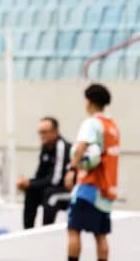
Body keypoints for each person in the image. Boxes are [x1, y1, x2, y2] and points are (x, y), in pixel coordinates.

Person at [65, 84, 119, 261]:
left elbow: (82, 146)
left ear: (89, 102)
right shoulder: (112, 127)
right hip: (107, 188)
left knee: (74, 229)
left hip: (90, 185)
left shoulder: (92, 123)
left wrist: (72, 168)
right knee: (100, 234)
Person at [18, 116, 71, 228]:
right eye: (40, 133)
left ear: (55, 132)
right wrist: (27, 183)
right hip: (51, 187)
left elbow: (56, 179)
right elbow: (39, 175)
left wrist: (30, 183)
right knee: (31, 191)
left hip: (67, 190)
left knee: (50, 195)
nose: (42, 136)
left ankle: (45, 231)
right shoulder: (45, 148)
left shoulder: (62, 147)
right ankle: (27, 231)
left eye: (44, 132)